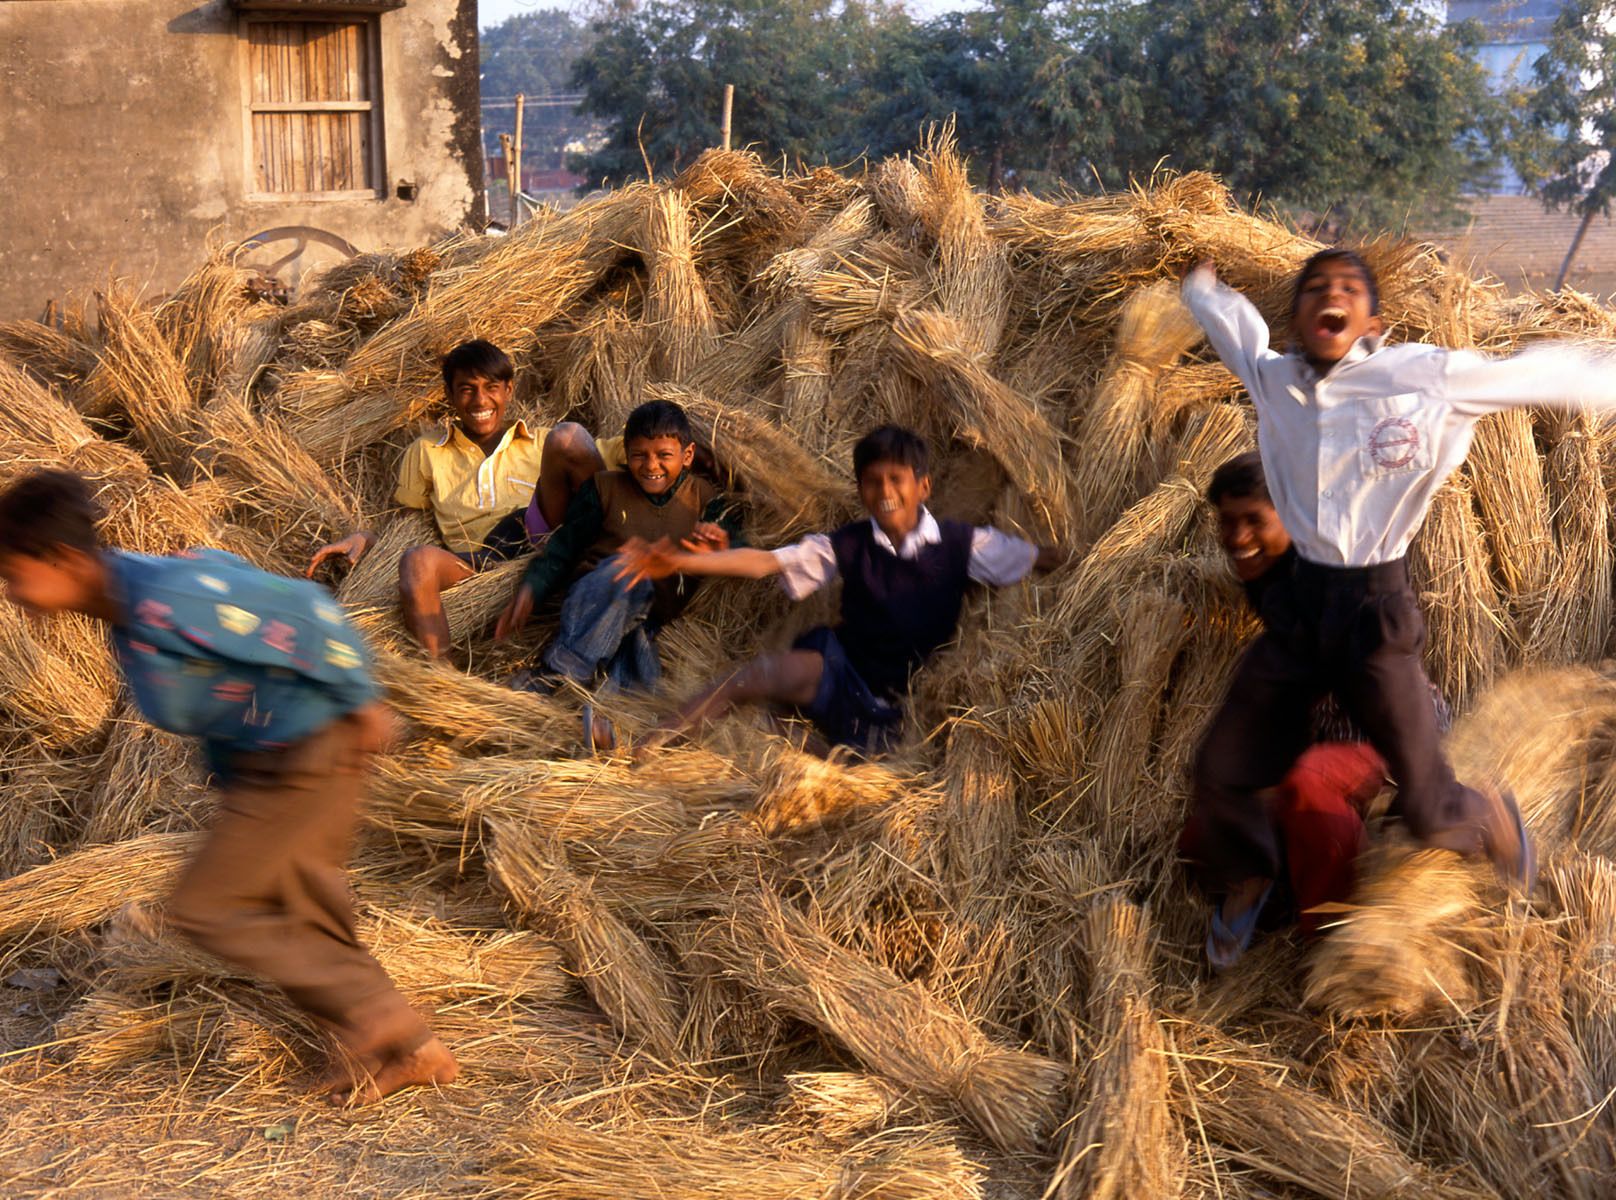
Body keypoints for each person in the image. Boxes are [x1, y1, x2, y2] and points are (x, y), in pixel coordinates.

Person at [1180, 246, 1616, 949]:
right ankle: (1252, 879)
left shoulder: (1421, 377)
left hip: (1373, 610)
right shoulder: (1276, 379)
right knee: (1221, 770)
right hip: (1302, 610)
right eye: (1315, 287)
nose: (1331, 294)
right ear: (1298, 316)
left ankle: (1488, 818)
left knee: (1428, 803)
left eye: (1349, 288)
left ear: (1372, 323)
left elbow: (1532, 374)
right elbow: (1239, 334)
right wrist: (1200, 287)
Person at [0, 469, 458, 1104]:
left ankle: (388, 1025)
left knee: (207, 908)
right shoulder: (127, 602)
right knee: (306, 911)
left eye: (15, 574)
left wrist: (360, 701)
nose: (13, 592)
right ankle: (410, 1052)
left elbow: (305, 610)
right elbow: (227, 590)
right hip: (267, 765)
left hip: (311, 750)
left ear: (60, 558)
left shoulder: (163, 596)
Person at [605, 424, 1061, 756]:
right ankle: (649, 744)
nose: (885, 491)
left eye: (896, 479)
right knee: (755, 675)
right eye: (873, 481)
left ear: (923, 486)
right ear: (861, 490)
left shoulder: (964, 545)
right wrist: (680, 560)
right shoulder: (848, 544)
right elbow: (766, 563)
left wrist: (1089, 562)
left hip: (902, 701)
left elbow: (1032, 557)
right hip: (841, 668)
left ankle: (802, 743)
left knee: (866, 771)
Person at [1180, 451, 1453, 966]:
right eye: (1227, 522)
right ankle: (1274, 891)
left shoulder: (1333, 571)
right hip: (1325, 736)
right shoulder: (1269, 578)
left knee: (1309, 783)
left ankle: (1335, 940)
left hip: (1390, 734)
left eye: (1254, 520)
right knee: (1205, 834)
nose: (1237, 537)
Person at [307, 339, 621, 658]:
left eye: (491, 387)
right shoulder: (427, 451)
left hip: (543, 537)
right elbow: (404, 530)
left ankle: (605, 551)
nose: (480, 400)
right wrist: (366, 539)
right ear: (450, 395)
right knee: (417, 561)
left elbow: (627, 452)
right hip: (478, 562)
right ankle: (442, 674)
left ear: (509, 390)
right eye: (467, 389)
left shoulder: (539, 442)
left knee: (569, 437)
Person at [494, 397, 742, 703]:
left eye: (664, 455)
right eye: (639, 455)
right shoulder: (603, 489)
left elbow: (739, 549)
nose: (651, 466)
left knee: (635, 691)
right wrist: (532, 587)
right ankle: (558, 671)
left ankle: (598, 709)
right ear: (625, 452)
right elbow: (563, 547)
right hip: (596, 598)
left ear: (687, 455)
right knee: (626, 570)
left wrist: (722, 544)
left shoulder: (705, 500)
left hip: (653, 617)